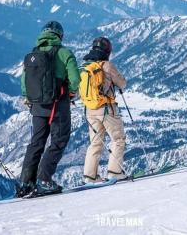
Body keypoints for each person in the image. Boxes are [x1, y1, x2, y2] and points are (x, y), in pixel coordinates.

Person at [18, 21, 80, 197]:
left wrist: (31, 99)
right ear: (60, 35)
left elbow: (24, 83)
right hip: (58, 105)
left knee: (36, 142)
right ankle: (44, 180)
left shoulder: (33, 54)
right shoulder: (64, 53)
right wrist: (71, 93)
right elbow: (75, 79)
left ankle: (25, 183)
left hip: (37, 105)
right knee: (59, 140)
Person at [80, 37, 128, 183]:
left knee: (95, 143)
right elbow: (122, 83)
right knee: (118, 139)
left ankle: (90, 176)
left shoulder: (86, 66)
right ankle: (114, 171)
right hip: (106, 109)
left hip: (90, 109)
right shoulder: (107, 65)